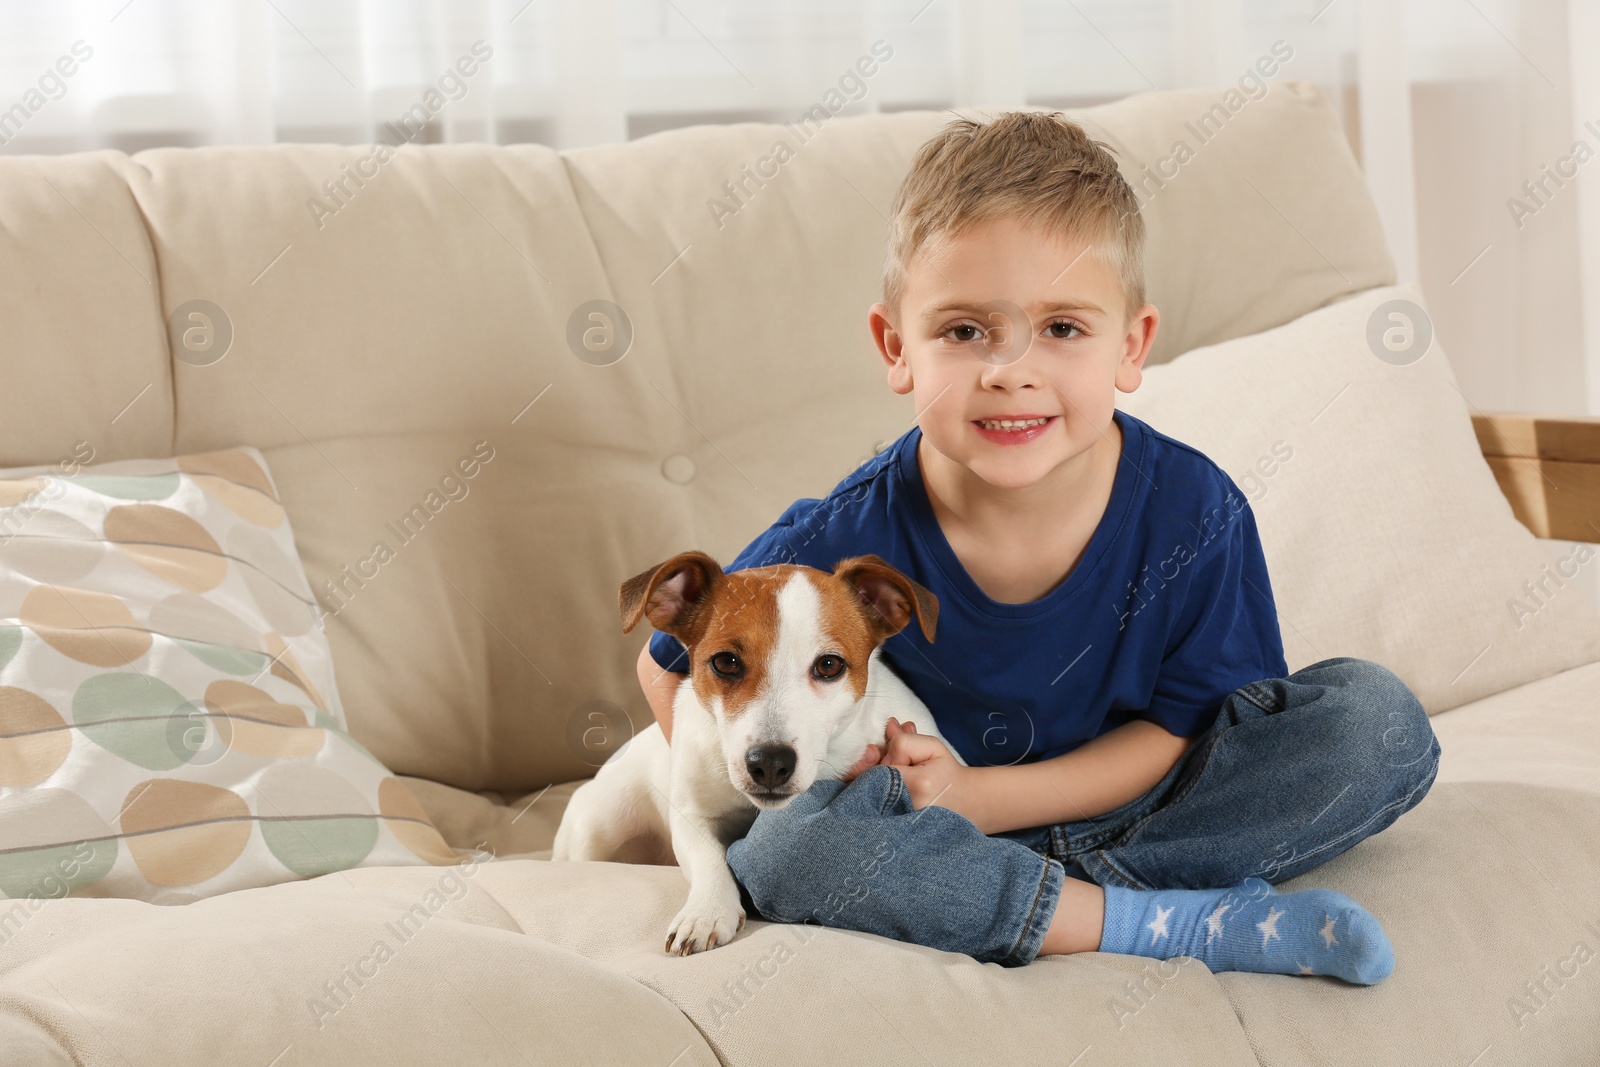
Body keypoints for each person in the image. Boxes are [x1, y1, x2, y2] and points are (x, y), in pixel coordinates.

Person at [638, 110, 1439, 983]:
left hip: (1132, 808)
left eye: (1062, 328)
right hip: (914, 826)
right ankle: (1176, 920)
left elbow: (1188, 730)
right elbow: (666, 665)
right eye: (964, 330)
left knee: (1377, 723)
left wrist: (981, 800)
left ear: (1131, 347)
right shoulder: (837, 540)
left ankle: (1018, 895)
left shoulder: (1193, 509)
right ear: (896, 347)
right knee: (786, 855)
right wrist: (750, 774)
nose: (1009, 369)